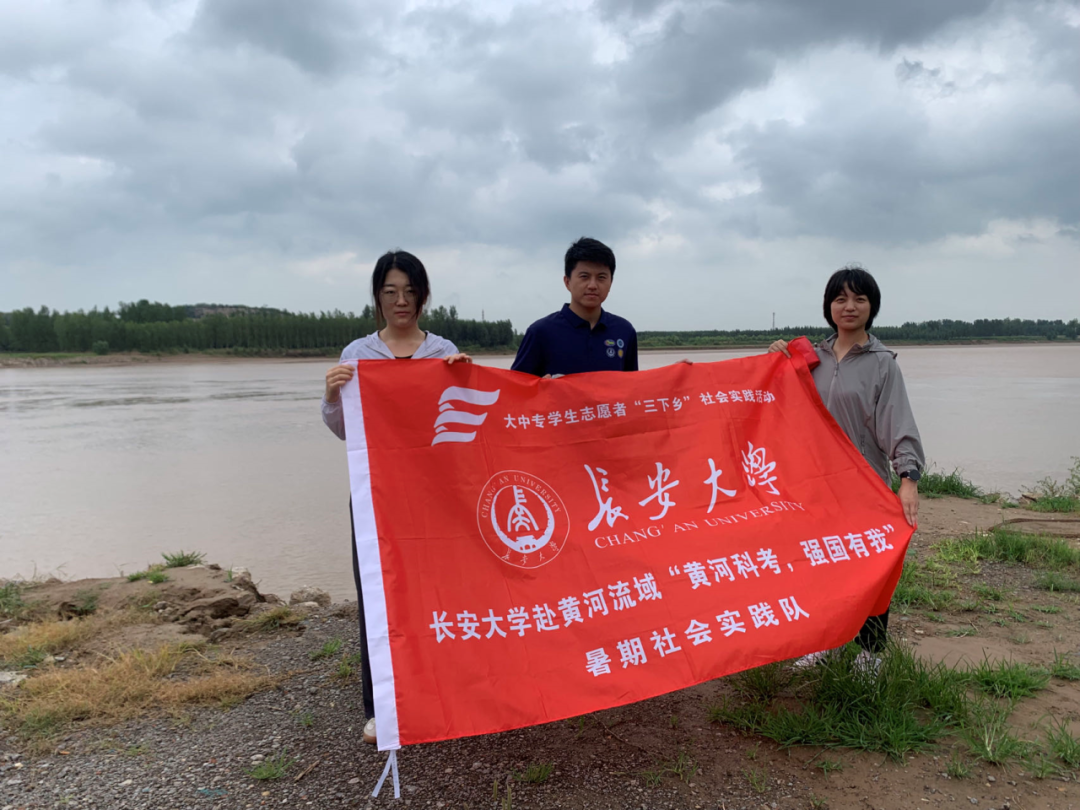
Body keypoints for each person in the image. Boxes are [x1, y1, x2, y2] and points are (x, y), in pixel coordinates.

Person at [322, 250, 470, 745]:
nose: (401, 301)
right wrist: (332, 394)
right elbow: (345, 430)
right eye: (390, 292)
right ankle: (380, 708)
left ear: (423, 296)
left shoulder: (443, 350)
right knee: (378, 597)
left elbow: (462, 426)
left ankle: (443, 692)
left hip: (433, 496)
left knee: (440, 594)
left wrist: (463, 377)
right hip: (376, 498)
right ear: (378, 297)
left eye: (409, 291)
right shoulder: (358, 353)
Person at [769, 265, 924, 668]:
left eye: (859, 299)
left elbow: (898, 422)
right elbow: (775, 402)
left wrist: (908, 478)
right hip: (814, 485)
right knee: (822, 564)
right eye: (840, 299)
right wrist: (773, 362)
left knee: (870, 569)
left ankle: (871, 654)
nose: (849, 306)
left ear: (872, 307)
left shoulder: (882, 363)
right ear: (829, 307)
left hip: (865, 484)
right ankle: (827, 641)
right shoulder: (810, 358)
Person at [511, 237, 638, 377]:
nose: (592, 285)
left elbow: (632, 386)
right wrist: (541, 386)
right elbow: (514, 386)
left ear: (611, 283)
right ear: (567, 282)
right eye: (584, 276)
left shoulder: (624, 331)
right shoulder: (540, 332)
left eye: (601, 277)